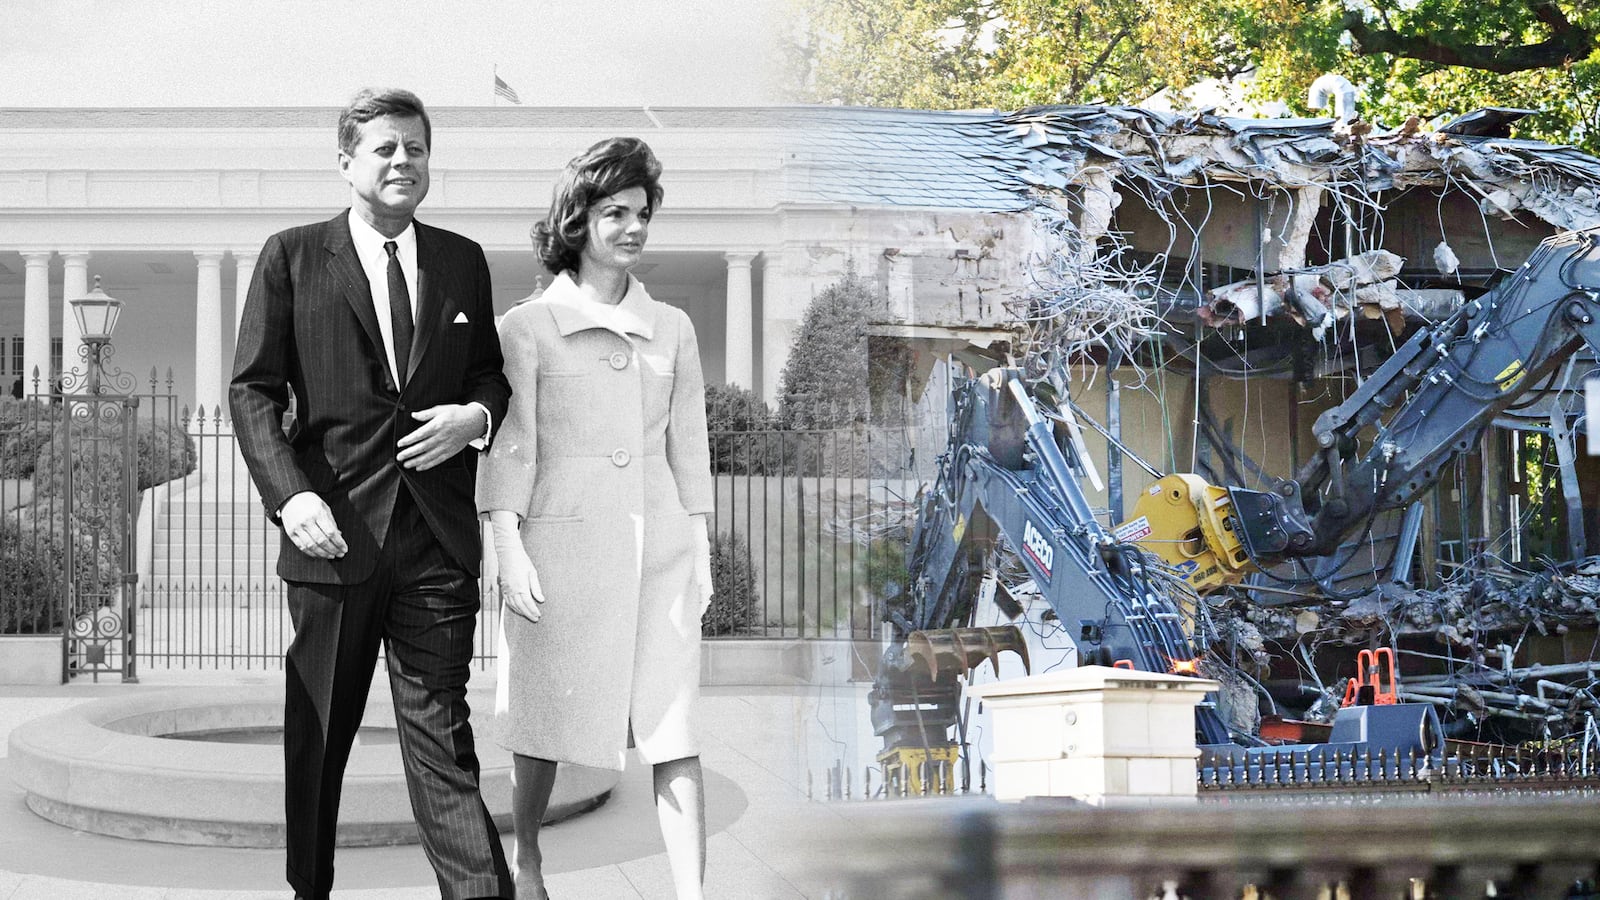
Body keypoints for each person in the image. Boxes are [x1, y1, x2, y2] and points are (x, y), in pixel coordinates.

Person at [229, 87, 514, 900]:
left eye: (415, 148)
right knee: (319, 739)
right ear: (346, 162)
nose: (402, 161)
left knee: (444, 741)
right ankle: (309, 891)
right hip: (333, 539)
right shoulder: (290, 257)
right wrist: (291, 497)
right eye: (385, 148)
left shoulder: (462, 260)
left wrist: (475, 418)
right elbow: (251, 392)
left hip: (436, 543)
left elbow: (489, 374)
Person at [476, 137, 715, 900]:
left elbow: (689, 445)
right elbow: (514, 446)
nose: (634, 227)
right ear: (577, 221)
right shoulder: (527, 327)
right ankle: (528, 861)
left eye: (642, 213)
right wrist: (506, 544)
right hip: (559, 550)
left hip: (660, 555)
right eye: (616, 213)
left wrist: (700, 545)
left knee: (675, 729)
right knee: (543, 721)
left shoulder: (673, 327)